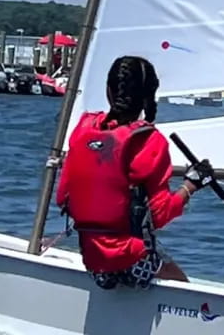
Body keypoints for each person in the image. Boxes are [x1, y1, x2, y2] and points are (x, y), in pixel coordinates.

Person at [56, 55, 211, 290]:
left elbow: (62, 198)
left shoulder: (83, 130)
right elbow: (160, 215)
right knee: (184, 285)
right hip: (133, 263)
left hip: (93, 261)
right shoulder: (149, 141)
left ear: (108, 91)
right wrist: (191, 184)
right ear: (148, 96)